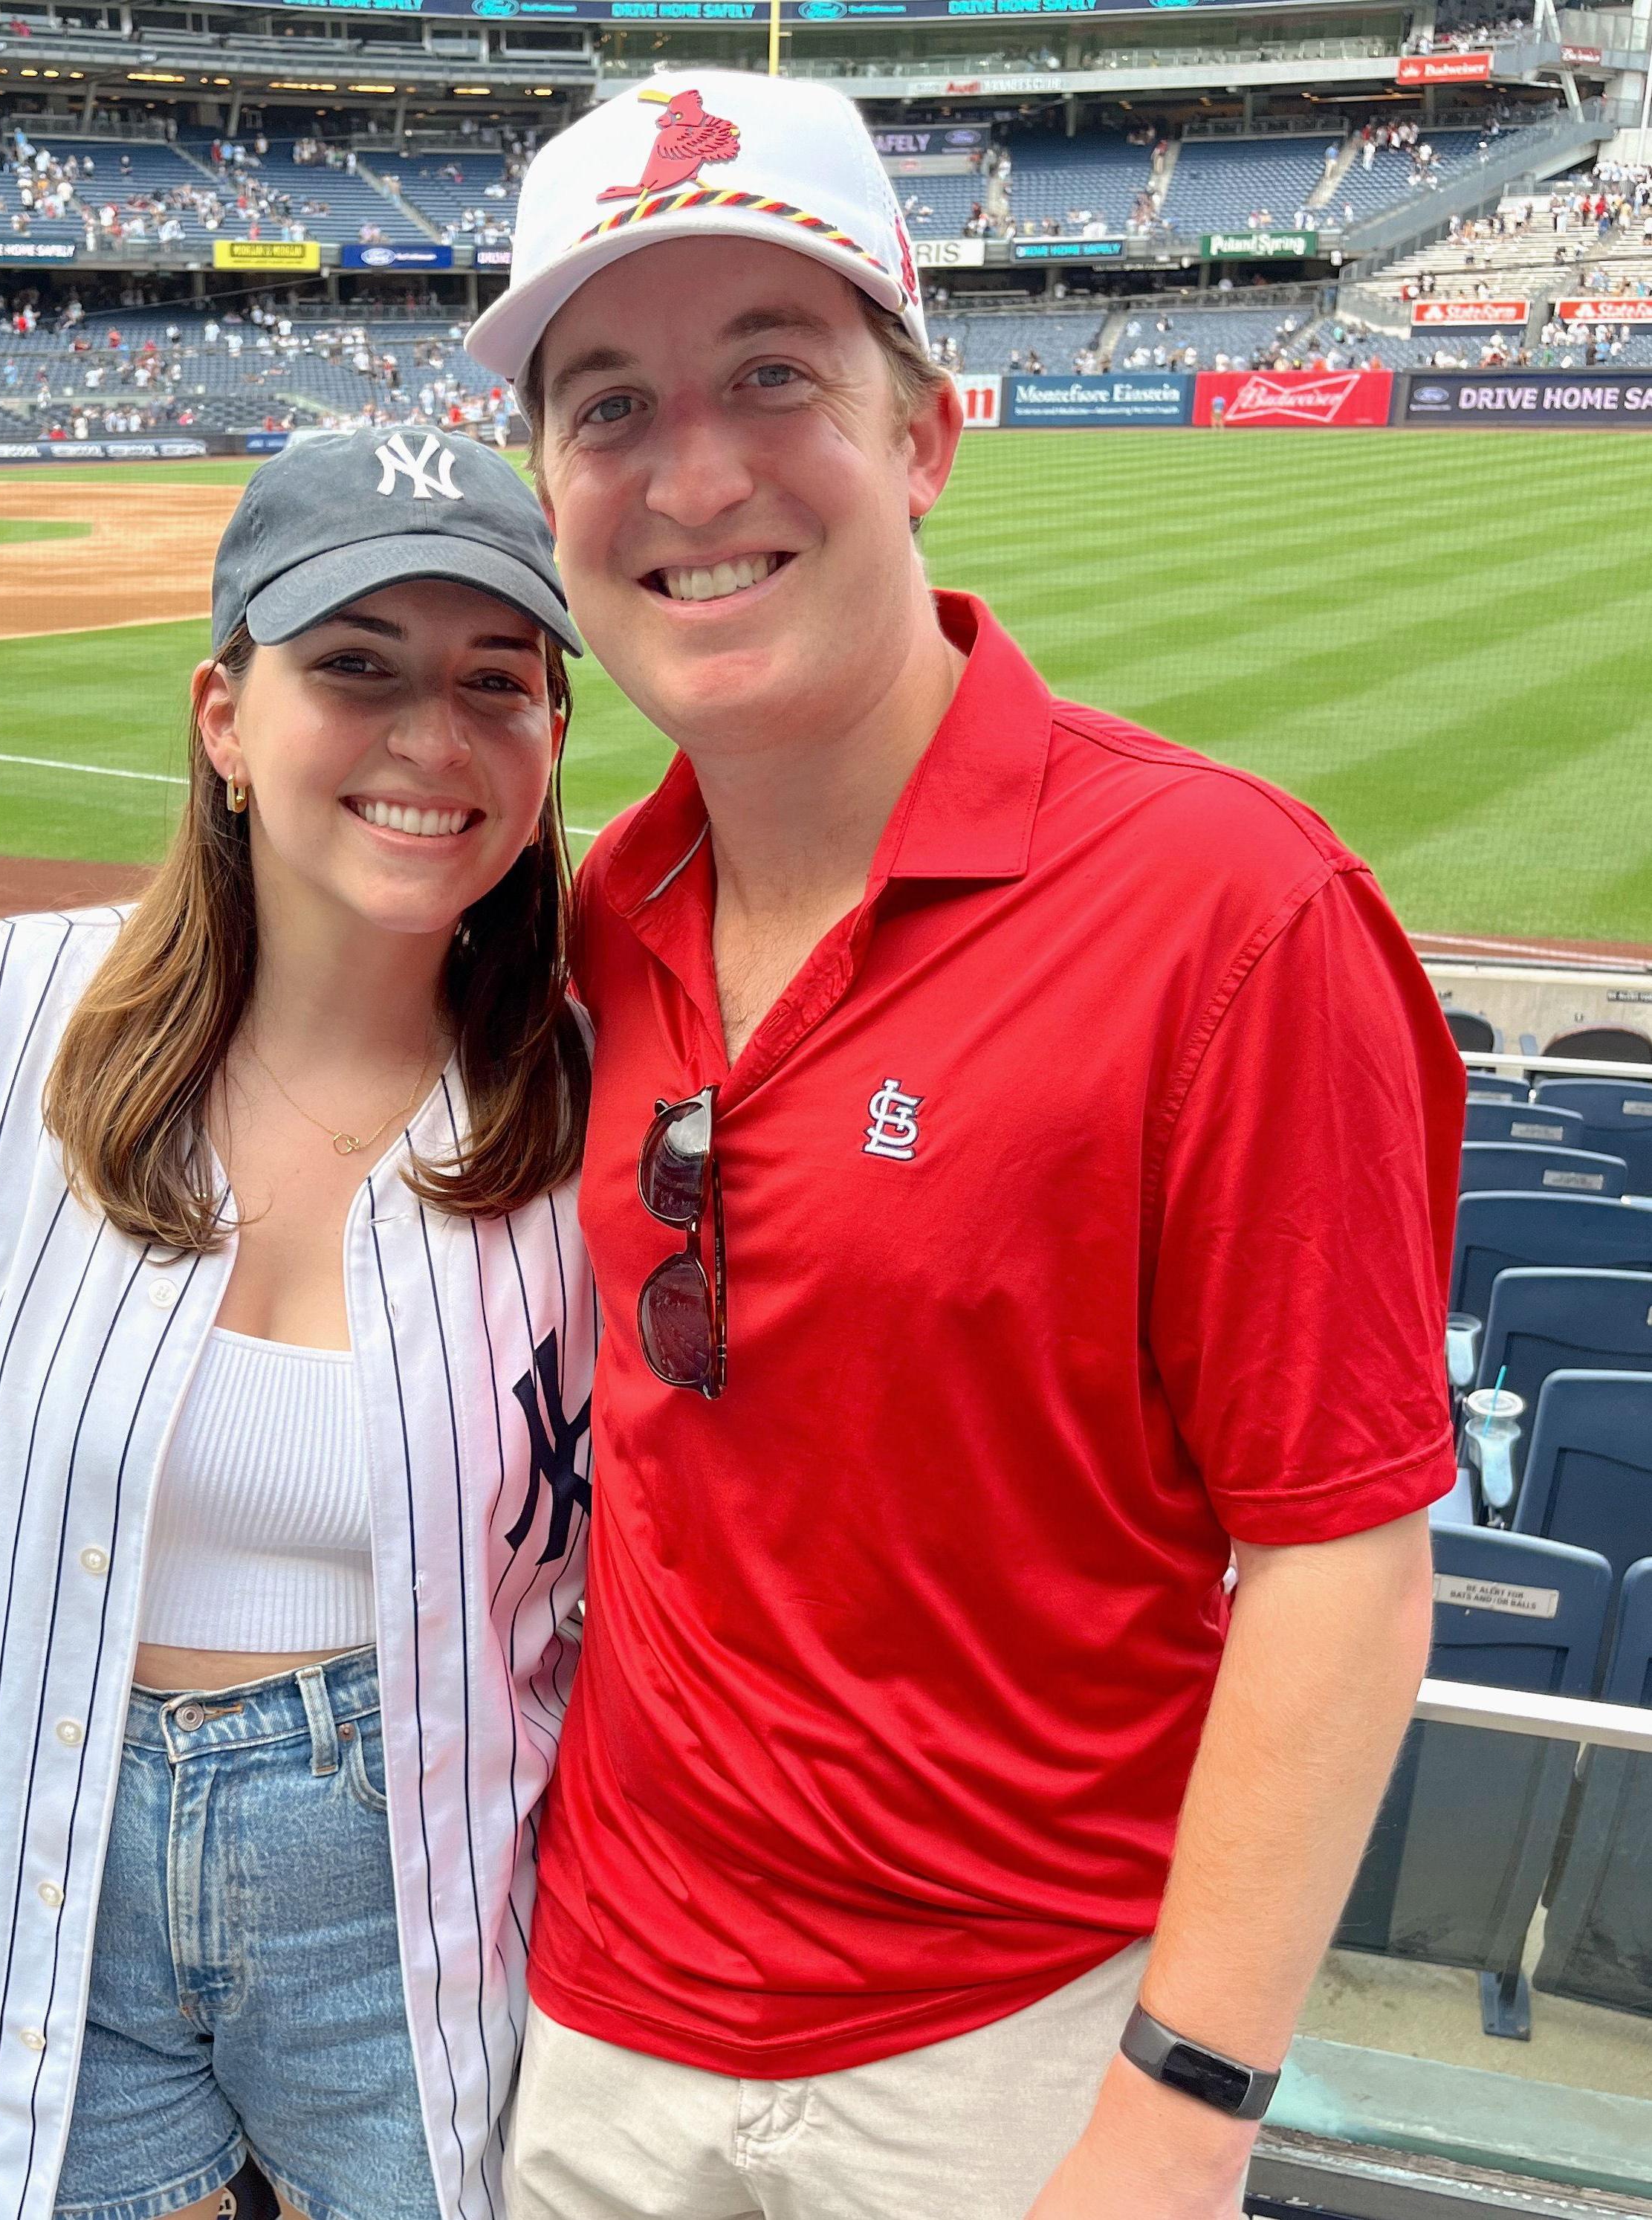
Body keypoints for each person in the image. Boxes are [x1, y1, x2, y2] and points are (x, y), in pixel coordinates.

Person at [464, 71, 1462, 2220]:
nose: (693, 470)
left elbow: (1344, 1562)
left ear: (923, 435)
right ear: (544, 488)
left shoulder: (1226, 908)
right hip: (597, 2020)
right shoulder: (583, 925)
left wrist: (1177, 2111)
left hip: (1005, 2064)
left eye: (773, 375)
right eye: (609, 405)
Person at [0, 430, 595, 2220]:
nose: (428, 738)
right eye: (352, 664)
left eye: (492, 682)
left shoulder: (595, 1105)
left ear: (548, 744)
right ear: (221, 715)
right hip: (29, 1864)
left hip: (428, 1891)